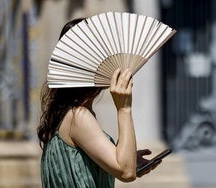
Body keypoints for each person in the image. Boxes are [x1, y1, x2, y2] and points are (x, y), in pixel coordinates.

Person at [37, 18, 160, 188]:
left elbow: (120, 166)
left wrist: (128, 159)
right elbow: (126, 172)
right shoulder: (78, 117)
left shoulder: (66, 114)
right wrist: (123, 108)